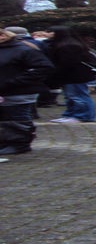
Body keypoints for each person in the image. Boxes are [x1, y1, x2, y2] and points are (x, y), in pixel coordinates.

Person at [0, 28, 54, 156]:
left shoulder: (23, 49)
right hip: (6, 90)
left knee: (17, 117)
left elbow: (43, 67)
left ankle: (19, 144)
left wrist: (15, 81)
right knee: (6, 118)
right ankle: (7, 141)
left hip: (18, 91)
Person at [43, 25, 96, 124]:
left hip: (75, 75)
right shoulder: (60, 44)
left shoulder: (69, 45)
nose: (46, 34)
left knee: (78, 96)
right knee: (70, 96)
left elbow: (69, 62)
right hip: (68, 75)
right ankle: (70, 114)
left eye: (49, 32)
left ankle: (82, 116)